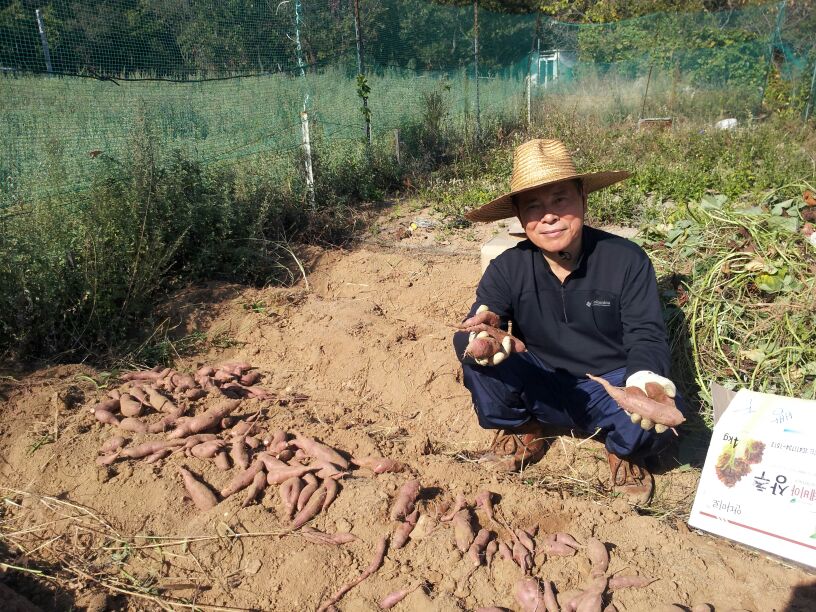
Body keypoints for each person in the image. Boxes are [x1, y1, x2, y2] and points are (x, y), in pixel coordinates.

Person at [452, 138, 683, 504]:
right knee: (475, 358)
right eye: (533, 206)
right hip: (541, 381)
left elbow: (646, 334)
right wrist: (482, 335)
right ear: (520, 216)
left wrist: (645, 379)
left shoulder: (626, 260)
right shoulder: (509, 267)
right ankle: (523, 428)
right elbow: (484, 313)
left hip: (610, 387)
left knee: (660, 415)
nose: (548, 216)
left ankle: (623, 450)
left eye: (560, 200)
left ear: (583, 199)